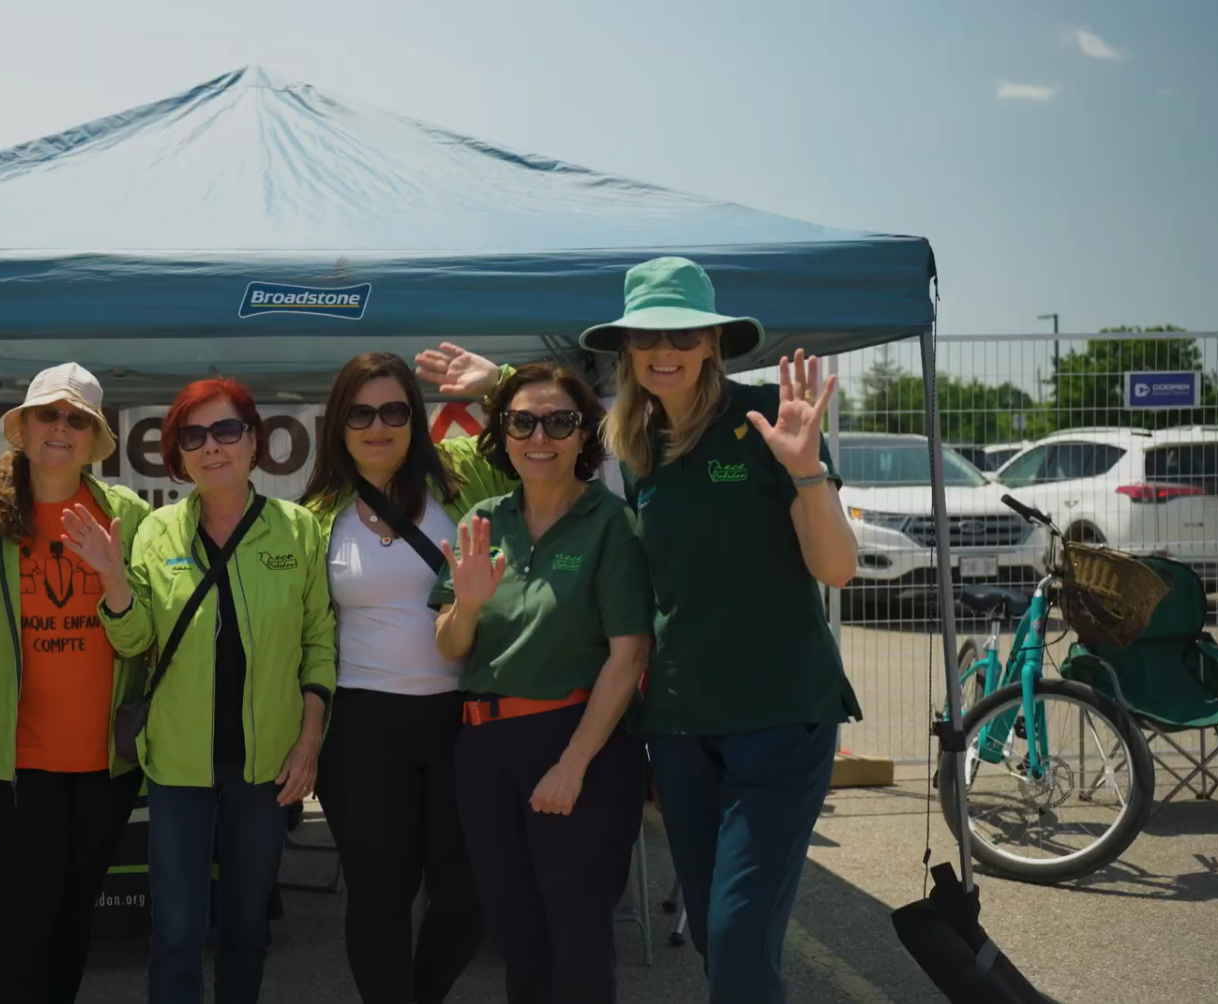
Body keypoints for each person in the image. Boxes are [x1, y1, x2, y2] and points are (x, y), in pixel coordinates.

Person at [447, 256, 862, 1003]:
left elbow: (835, 568)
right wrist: (497, 386)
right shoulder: (637, 444)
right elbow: (553, 431)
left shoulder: (770, 422)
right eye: (645, 337)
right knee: (709, 930)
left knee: (736, 936)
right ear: (628, 351)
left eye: (681, 334)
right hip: (678, 725)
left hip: (779, 714)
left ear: (712, 343)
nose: (662, 350)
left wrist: (807, 470)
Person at [64, 377, 337, 1004]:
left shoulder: (298, 530)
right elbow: (133, 642)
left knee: (245, 925)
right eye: (194, 435)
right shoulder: (157, 531)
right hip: (178, 765)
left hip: (266, 765)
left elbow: (319, 642)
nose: (212, 447)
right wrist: (111, 580)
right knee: (179, 929)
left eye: (226, 431)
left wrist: (310, 739)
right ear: (178, 452)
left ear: (253, 441)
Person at [430, 363, 651, 1004]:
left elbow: (629, 654)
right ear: (503, 433)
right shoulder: (483, 519)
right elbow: (448, 643)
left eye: (559, 421)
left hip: (576, 743)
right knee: (516, 939)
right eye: (523, 421)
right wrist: (466, 605)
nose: (540, 435)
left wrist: (573, 764)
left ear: (585, 435)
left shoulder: (611, 523)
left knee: (577, 945)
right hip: (483, 752)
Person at [296, 351, 511, 1004]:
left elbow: (559, 430)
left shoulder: (462, 477)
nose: (378, 425)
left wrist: (499, 385)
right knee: (378, 898)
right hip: (360, 729)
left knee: (466, 897)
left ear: (416, 419)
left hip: (459, 722)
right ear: (338, 424)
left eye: (394, 410)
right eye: (360, 412)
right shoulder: (316, 513)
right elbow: (305, 633)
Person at [0, 362, 152, 1004]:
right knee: (25, 912)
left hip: (103, 761)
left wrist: (114, 578)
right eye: (49, 414)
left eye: (77, 419)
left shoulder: (129, 515)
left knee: (74, 911)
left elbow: (142, 637)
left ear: (94, 439)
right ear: (24, 427)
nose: (61, 427)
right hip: (13, 757)